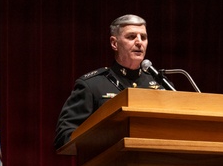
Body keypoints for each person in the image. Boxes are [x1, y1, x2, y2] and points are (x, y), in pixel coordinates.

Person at [54, 14, 165, 151]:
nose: (139, 42)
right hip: (108, 162)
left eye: (143, 37)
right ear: (114, 43)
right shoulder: (92, 85)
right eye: (131, 37)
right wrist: (106, 138)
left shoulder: (161, 85)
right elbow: (64, 137)